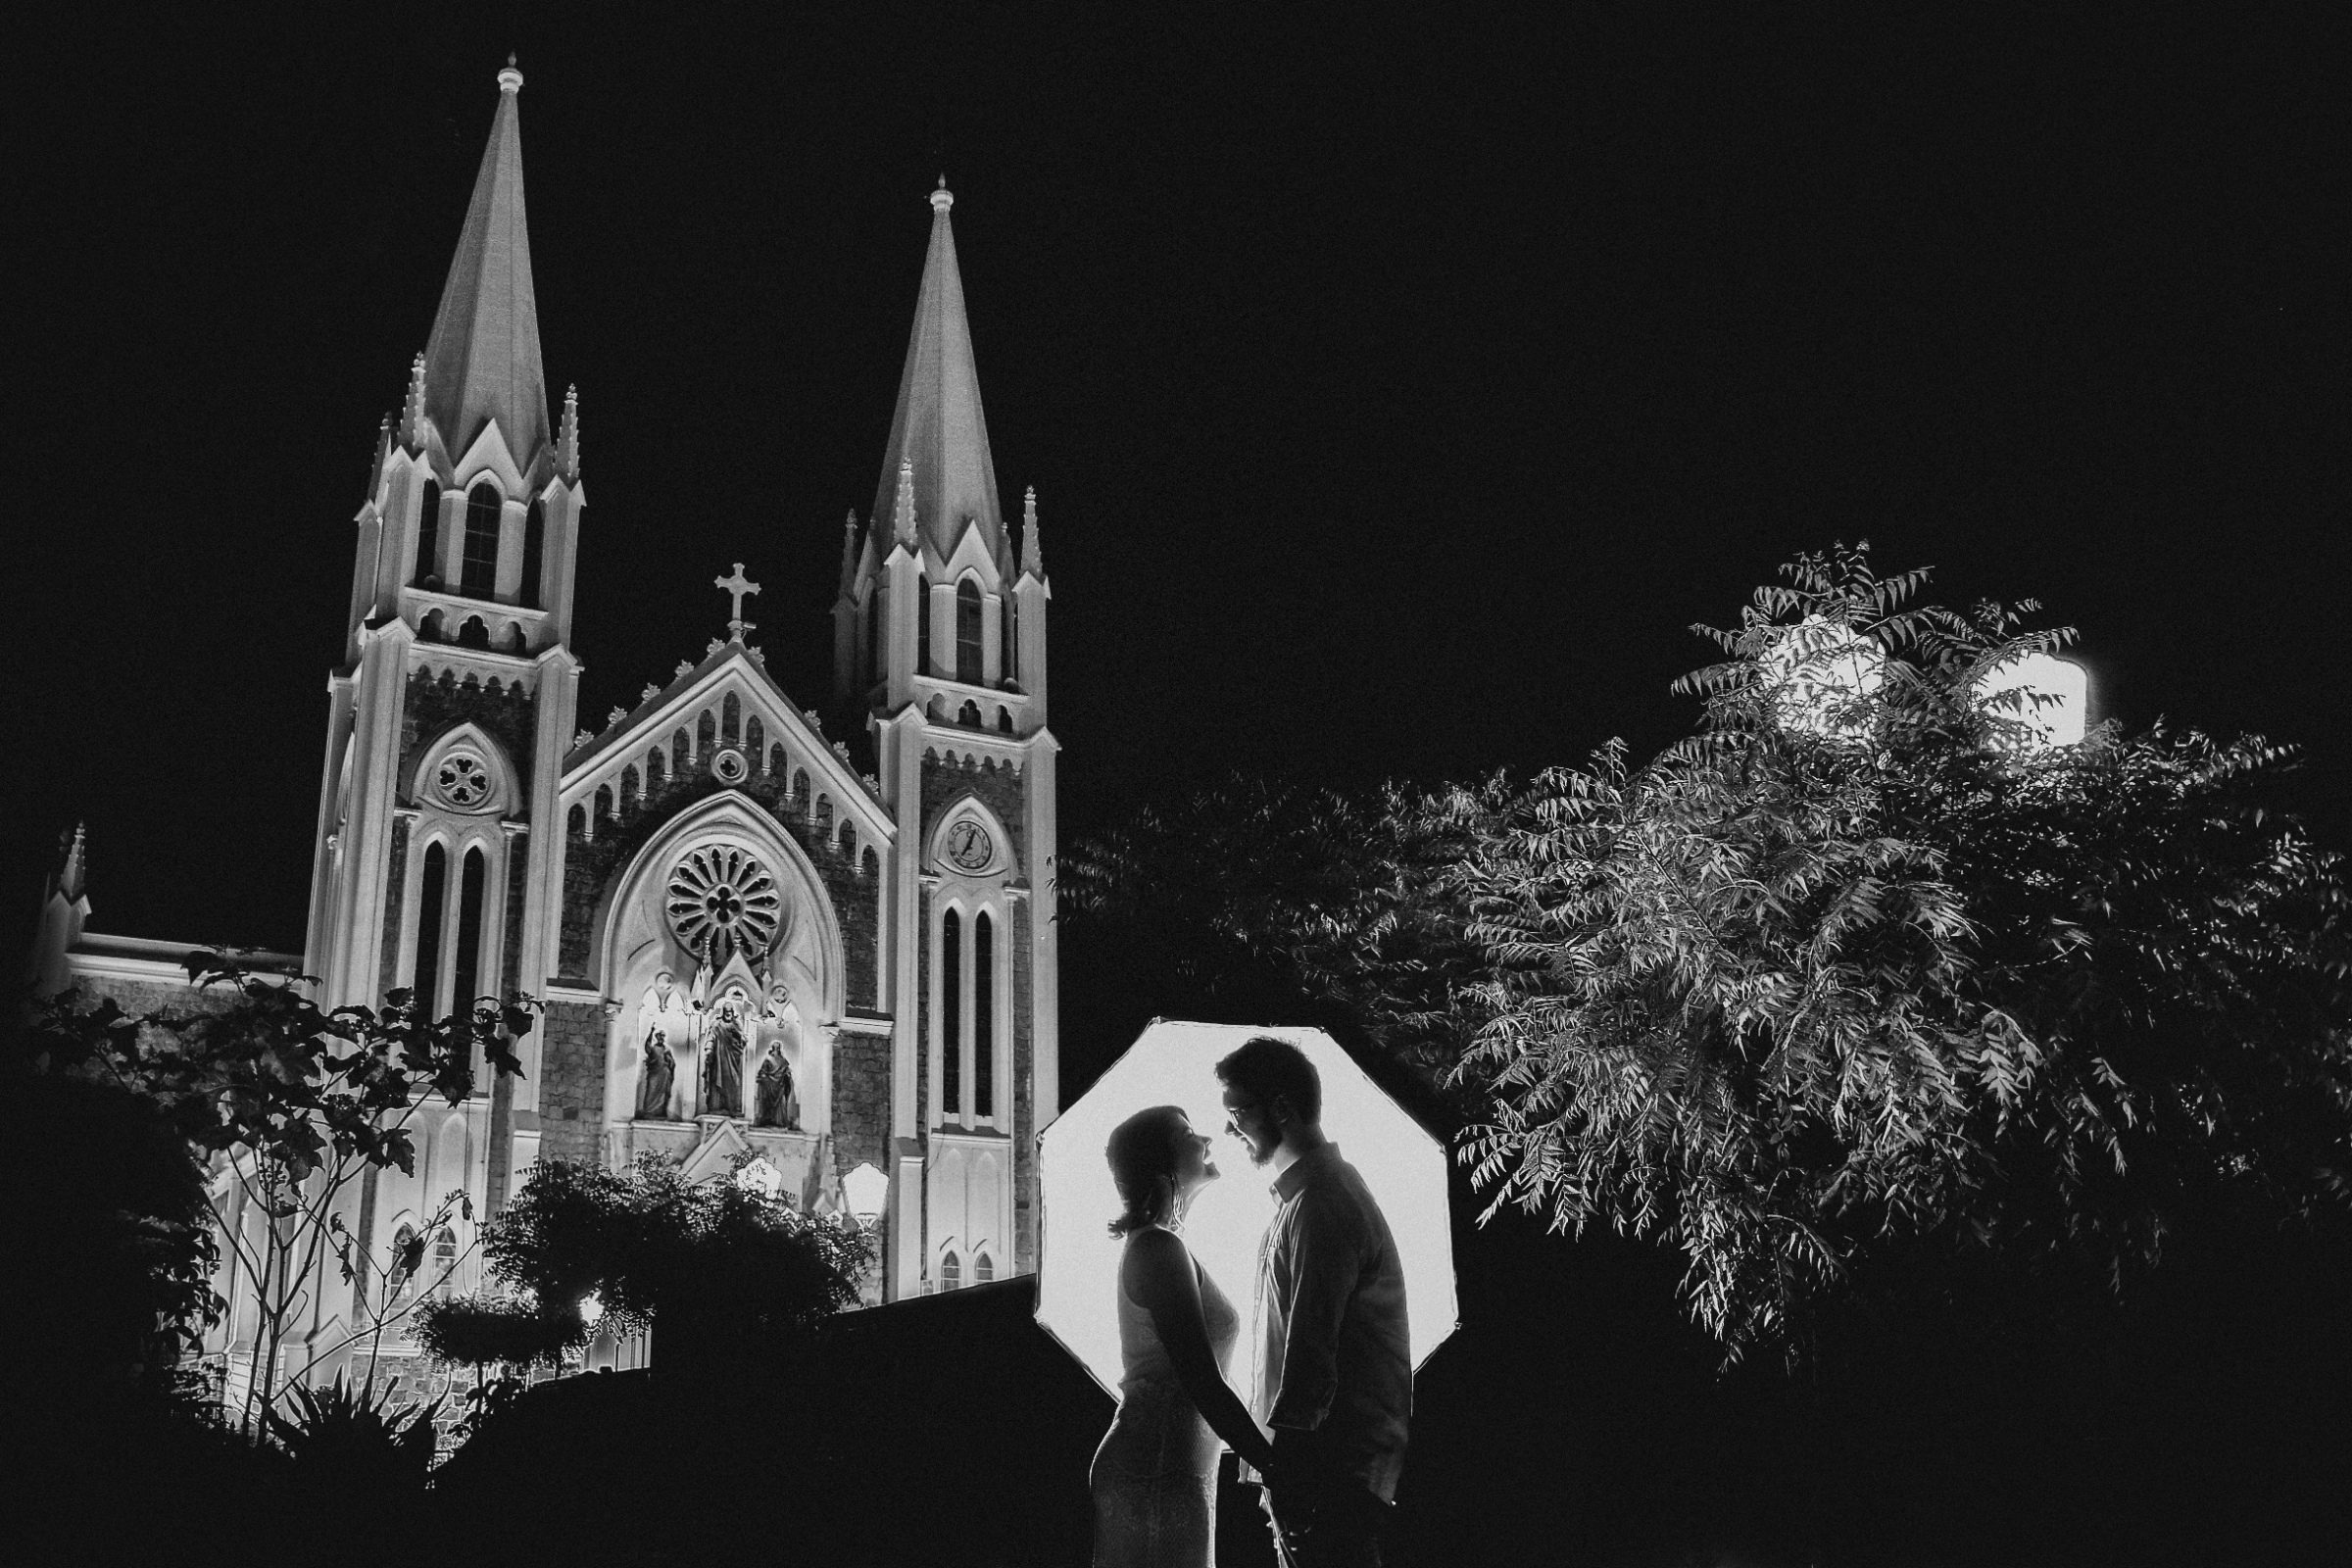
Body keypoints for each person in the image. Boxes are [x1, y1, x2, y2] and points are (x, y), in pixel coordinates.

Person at [1218, 1037, 1411, 1567]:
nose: (1230, 1129)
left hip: (1329, 1473)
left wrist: (1288, 1475)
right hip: (1321, 1470)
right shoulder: (1299, 1202)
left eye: (1237, 1112)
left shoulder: (1322, 1204)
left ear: (1281, 1108)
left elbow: (1310, 1351)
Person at [1091, 1104, 1290, 1568]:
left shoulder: (1167, 1245)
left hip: (1176, 1467)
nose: (1206, 1139)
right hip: (1153, 1468)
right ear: (1160, 1162)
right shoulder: (1159, 1248)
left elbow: (1210, 1377)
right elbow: (1202, 1381)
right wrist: (1276, 1468)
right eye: (1188, 1134)